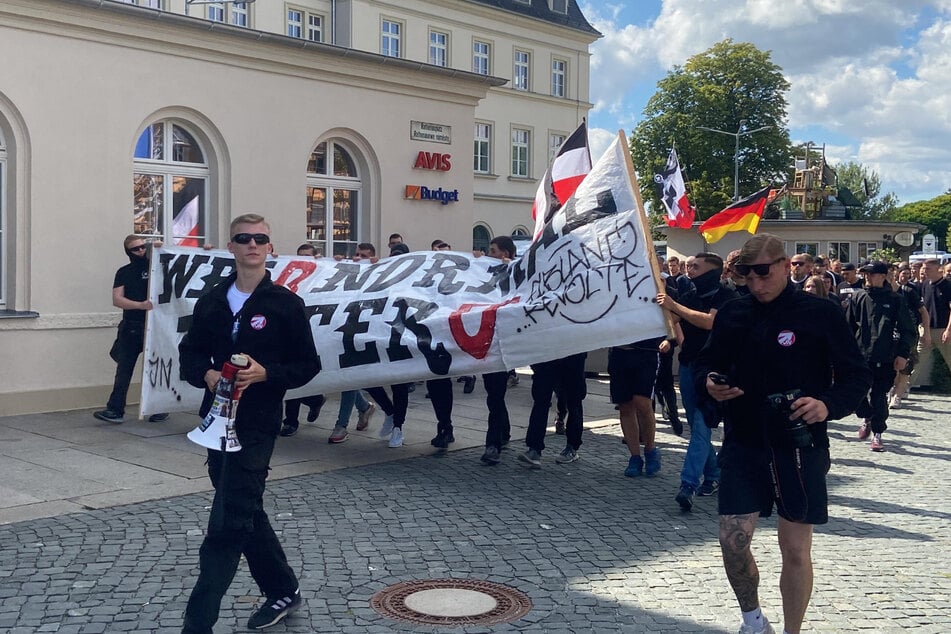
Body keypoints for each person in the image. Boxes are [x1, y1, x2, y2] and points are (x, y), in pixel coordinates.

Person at [695, 233, 870, 634]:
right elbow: (707, 364)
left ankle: (793, 631)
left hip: (798, 442)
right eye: (746, 275)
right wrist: (711, 383)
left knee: (794, 549)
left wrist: (827, 404)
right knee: (732, 543)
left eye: (763, 273)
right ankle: (754, 621)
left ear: (785, 264)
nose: (756, 283)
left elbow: (856, 374)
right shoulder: (733, 313)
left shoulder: (820, 312)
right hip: (745, 439)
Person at [178, 214, 320, 633]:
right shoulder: (212, 301)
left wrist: (266, 373)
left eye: (260, 238)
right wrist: (204, 374)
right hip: (214, 421)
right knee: (244, 506)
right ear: (232, 246)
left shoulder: (285, 303)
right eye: (244, 238)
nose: (253, 244)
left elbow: (308, 364)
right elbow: (190, 354)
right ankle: (283, 589)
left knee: (229, 519)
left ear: (270, 247)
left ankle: (197, 623)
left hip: (256, 424)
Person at [657, 252, 738, 511]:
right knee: (695, 425)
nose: (688, 270)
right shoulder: (689, 293)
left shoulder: (726, 294)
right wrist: (681, 340)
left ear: (713, 270)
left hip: (716, 370)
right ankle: (714, 476)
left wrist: (673, 305)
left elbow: (708, 322)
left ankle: (688, 484)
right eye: (688, 265)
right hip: (690, 366)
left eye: (695, 266)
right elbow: (677, 319)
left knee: (702, 428)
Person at [94, 235, 168, 424]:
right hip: (133, 326)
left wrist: (162, 248)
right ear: (129, 252)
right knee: (124, 369)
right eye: (136, 249)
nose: (141, 251)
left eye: (143, 247)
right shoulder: (125, 272)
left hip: (157, 324)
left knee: (157, 367)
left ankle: (160, 407)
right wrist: (140, 305)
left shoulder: (157, 265)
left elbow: (181, 265)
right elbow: (117, 299)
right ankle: (115, 408)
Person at [846, 261, 915, 452]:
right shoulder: (857, 297)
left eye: (871, 274)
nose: (867, 277)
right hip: (860, 356)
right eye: (865, 274)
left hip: (885, 356)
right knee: (856, 394)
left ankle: (877, 433)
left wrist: (902, 354)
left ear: (883, 276)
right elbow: (847, 329)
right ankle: (866, 416)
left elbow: (907, 330)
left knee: (878, 396)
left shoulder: (895, 300)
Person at [279, 243, 326, 437]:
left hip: (315, 330)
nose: (303, 260)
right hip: (291, 330)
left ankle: (313, 402)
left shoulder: (322, 273)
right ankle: (293, 418)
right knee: (290, 378)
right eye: (300, 256)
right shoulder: (292, 271)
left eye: (308, 256)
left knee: (300, 377)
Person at [479, 236, 517, 464]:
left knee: (495, 395)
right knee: (495, 397)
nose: (488, 255)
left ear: (505, 255)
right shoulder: (487, 272)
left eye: (492, 251)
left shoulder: (515, 273)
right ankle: (503, 431)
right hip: (488, 343)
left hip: (505, 345)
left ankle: (492, 444)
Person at [609, 336, 667, 477]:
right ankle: (635, 457)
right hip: (619, 351)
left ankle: (650, 449)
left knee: (642, 402)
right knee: (625, 405)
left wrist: (669, 340)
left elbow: (672, 316)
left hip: (646, 351)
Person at [891, 265, 929, 407]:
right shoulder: (885, 293)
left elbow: (923, 311)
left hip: (909, 332)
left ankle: (897, 396)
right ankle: (895, 388)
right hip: (891, 333)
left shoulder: (908, 291)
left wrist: (926, 332)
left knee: (907, 364)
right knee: (893, 365)